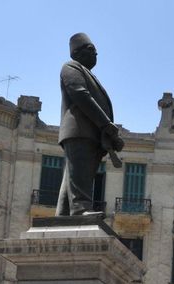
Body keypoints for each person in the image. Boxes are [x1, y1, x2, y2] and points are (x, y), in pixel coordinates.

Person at [56, 32, 124, 216]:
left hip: (90, 134)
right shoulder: (70, 67)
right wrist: (106, 124)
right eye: (91, 49)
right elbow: (80, 95)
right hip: (79, 131)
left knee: (73, 176)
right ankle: (80, 209)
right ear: (77, 52)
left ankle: (63, 213)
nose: (96, 54)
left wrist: (110, 135)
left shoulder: (86, 73)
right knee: (79, 173)